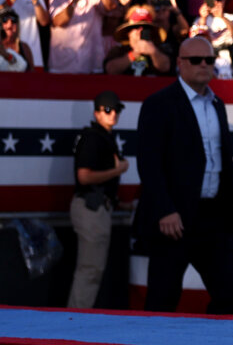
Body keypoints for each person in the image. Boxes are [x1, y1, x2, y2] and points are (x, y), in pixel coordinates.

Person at [135, 36, 233, 314]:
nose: (203, 65)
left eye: (209, 60)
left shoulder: (217, 105)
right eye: (195, 60)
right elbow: (149, 163)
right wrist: (164, 210)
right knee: (162, 300)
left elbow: (224, 160)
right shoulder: (159, 104)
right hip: (174, 219)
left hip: (214, 217)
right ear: (179, 64)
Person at [68, 90, 129, 309]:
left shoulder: (103, 137)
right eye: (107, 110)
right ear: (97, 113)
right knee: (89, 269)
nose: (112, 114)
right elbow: (84, 177)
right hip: (90, 207)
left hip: (99, 206)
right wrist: (117, 170)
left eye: (116, 110)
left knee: (93, 268)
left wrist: (117, 200)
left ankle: (78, 316)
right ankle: (75, 319)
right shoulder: (93, 138)